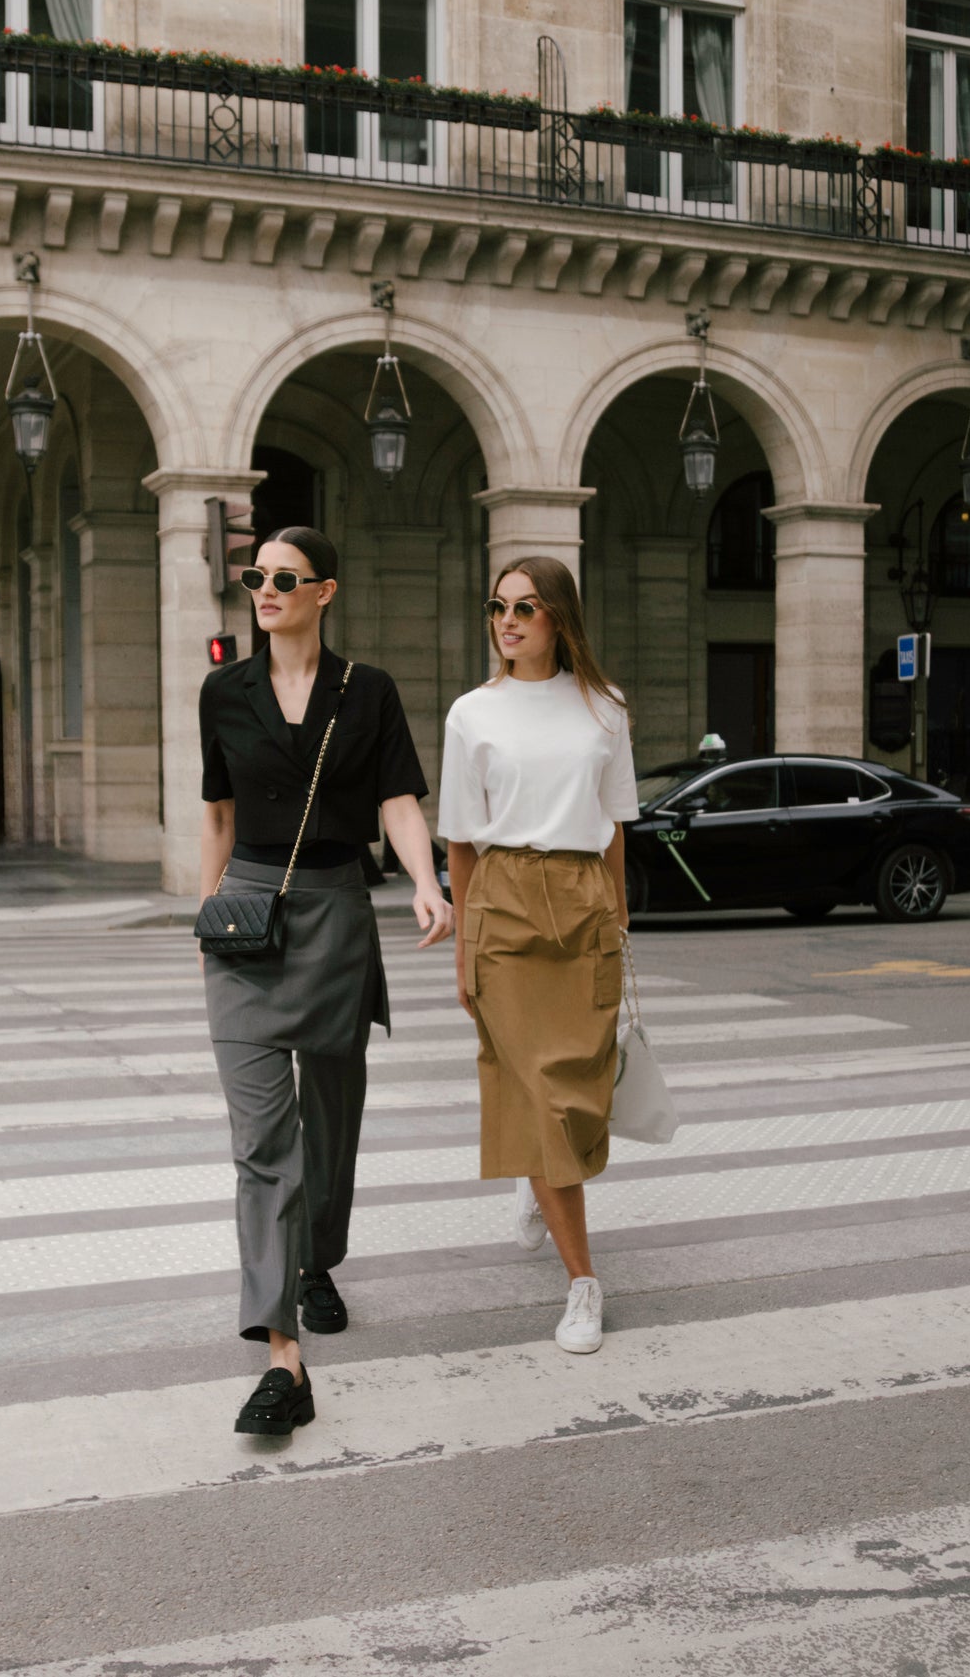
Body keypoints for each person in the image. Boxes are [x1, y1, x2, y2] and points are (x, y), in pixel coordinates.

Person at [199, 526, 452, 1436]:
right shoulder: (223, 691)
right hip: (248, 920)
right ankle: (282, 1353)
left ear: (323, 591)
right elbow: (219, 810)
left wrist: (425, 880)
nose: (263, 589)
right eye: (254, 576)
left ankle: (318, 1259)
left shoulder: (367, 691)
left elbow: (395, 801)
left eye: (282, 578)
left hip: (336, 907)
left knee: (330, 1117)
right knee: (262, 1142)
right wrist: (208, 913)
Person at [439, 554, 639, 1356]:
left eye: (525, 606)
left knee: (576, 1095)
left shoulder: (605, 707)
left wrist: (620, 925)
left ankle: (539, 1180)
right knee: (546, 1098)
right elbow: (460, 839)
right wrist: (463, 948)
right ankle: (582, 1283)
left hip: (584, 899)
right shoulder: (471, 713)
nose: (507, 619)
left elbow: (616, 825)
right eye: (496, 605)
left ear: (558, 615)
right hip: (504, 899)